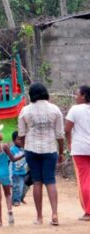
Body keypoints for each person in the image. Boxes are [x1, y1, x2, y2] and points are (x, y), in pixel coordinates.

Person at [18, 83, 64, 226]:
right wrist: (61, 152)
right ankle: (54, 214)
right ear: (45, 93)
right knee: (50, 181)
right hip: (50, 149)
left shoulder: (25, 111)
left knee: (37, 181)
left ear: (31, 95)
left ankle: (39, 217)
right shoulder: (55, 110)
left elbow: (22, 134)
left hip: (32, 149)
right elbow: (60, 135)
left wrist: (25, 148)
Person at [65, 85, 90, 221]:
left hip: (80, 149)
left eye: (77, 95)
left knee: (84, 180)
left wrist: (69, 143)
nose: (75, 97)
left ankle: (88, 211)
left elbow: (67, 129)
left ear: (84, 96)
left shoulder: (75, 109)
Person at [10, 131, 27, 206]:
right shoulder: (12, 150)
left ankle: (19, 198)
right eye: (18, 139)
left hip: (23, 171)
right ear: (14, 141)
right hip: (16, 172)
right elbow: (11, 160)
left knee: (21, 186)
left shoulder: (24, 149)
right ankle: (15, 200)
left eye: (22, 139)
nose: (21, 141)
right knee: (17, 187)